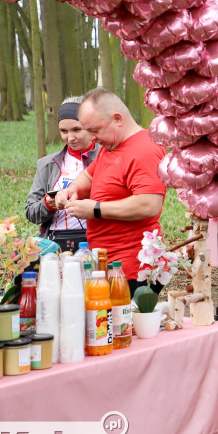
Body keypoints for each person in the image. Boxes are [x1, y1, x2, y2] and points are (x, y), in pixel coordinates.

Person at [54, 88, 166, 293]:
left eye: (95, 130)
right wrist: (72, 190)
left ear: (117, 119)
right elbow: (89, 175)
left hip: (133, 270)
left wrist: (96, 209)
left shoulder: (144, 150)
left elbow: (149, 205)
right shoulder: (112, 145)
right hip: (108, 263)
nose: (92, 138)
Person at [25, 97, 100, 251]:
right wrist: (48, 204)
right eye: (63, 131)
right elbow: (31, 212)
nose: (70, 138)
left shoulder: (107, 158)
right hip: (54, 242)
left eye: (76, 129)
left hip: (95, 240)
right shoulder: (47, 164)